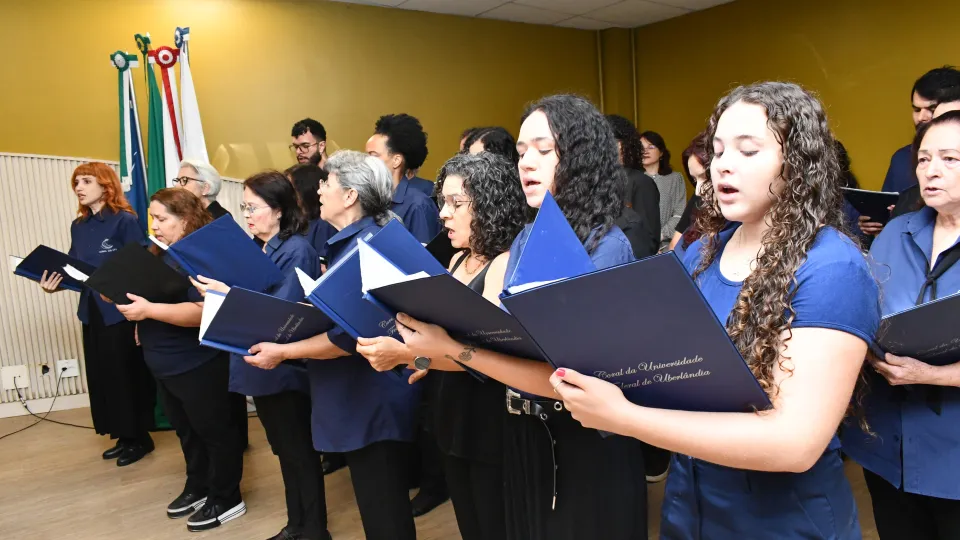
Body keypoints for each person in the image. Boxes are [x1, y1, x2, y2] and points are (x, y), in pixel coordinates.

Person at [545, 82, 879, 539]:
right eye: (718, 149)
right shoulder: (702, 252)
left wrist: (623, 417)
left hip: (781, 522)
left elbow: (795, 443)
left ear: (798, 162)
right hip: (690, 506)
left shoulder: (831, 266)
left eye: (747, 150)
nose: (722, 164)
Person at [395, 95, 648, 540]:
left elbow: (564, 375)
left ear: (581, 158)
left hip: (584, 440)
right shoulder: (527, 237)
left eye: (544, 150)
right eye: (521, 152)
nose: (527, 162)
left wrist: (452, 349)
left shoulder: (608, 246)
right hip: (523, 431)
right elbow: (503, 341)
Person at [242, 151, 420, 540]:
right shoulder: (354, 240)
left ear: (351, 195)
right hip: (355, 395)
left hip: (370, 397)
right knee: (377, 507)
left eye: (327, 182)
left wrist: (283, 352)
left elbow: (348, 338)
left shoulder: (366, 246)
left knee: (384, 511)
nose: (318, 190)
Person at [356, 152, 529, 540]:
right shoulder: (455, 260)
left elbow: (485, 360)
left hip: (489, 420)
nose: (444, 215)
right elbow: (444, 349)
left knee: (494, 522)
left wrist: (406, 354)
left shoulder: (503, 263)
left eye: (456, 203)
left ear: (488, 205)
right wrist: (420, 358)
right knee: (469, 520)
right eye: (442, 203)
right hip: (451, 411)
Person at [842, 110, 960, 540]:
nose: (931, 171)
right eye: (924, 159)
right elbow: (866, 307)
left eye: (950, 159)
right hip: (886, 444)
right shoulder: (896, 231)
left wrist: (934, 374)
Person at [193, 172, 329, 540]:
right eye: (245, 208)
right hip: (258, 362)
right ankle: (296, 526)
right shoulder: (260, 247)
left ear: (280, 209)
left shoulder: (297, 248)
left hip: (285, 366)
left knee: (298, 452)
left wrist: (225, 292)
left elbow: (280, 312)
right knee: (285, 452)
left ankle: (313, 530)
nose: (248, 215)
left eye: (254, 207)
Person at [116, 189, 245, 532]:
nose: (154, 225)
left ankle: (227, 496)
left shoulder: (198, 255)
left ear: (185, 220)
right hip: (164, 361)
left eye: (162, 219)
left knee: (214, 432)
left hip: (197, 362)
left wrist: (148, 310)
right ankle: (199, 485)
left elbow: (203, 312)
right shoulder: (159, 253)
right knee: (187, 432)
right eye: (153, 218)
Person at [38, 162, 155, 465]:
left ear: (106, 185)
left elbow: (139, 265)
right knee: (104, 375)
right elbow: (76, 269)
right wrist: (55, 285)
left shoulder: (124, 220)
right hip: (91, 310)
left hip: (119, 310)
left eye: (86, 181)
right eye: (76, 182)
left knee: (126, 375)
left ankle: (140, 438)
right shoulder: (78, 226)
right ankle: (123, 434)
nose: (79, 187)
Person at [863, 67, 960, 234]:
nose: (922, 117)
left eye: (931, 109)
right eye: (916, 110)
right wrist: (881, 223)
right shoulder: (901, 158)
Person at [607, 114, 661, 260]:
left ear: (625, 143)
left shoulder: (641, 182)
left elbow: (650, 241)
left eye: (610, 139)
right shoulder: (596, 182)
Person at [367, 113, 436, 199]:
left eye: (374, 156)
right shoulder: (372, 199)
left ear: (396, 161)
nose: (366, 162)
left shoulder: (418, 205)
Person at [640, 130, 686, 249]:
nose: (645, 151)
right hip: (639, 245)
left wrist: (660, 235)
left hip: (667, 245)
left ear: (661, 152)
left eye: (651, 146)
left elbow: (679, 214)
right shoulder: (633, 179)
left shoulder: (675, 178)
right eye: (641, 147)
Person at [669, 132, 710, 256]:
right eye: (695, 180)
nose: (698, 191)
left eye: (706, 178)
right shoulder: (698, 198)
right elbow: (673, 247)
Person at [287, 163, 337, 265]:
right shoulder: (295, 219)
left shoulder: (324, 224)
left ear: (305, 190)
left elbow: (322, 265)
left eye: (290, 189)